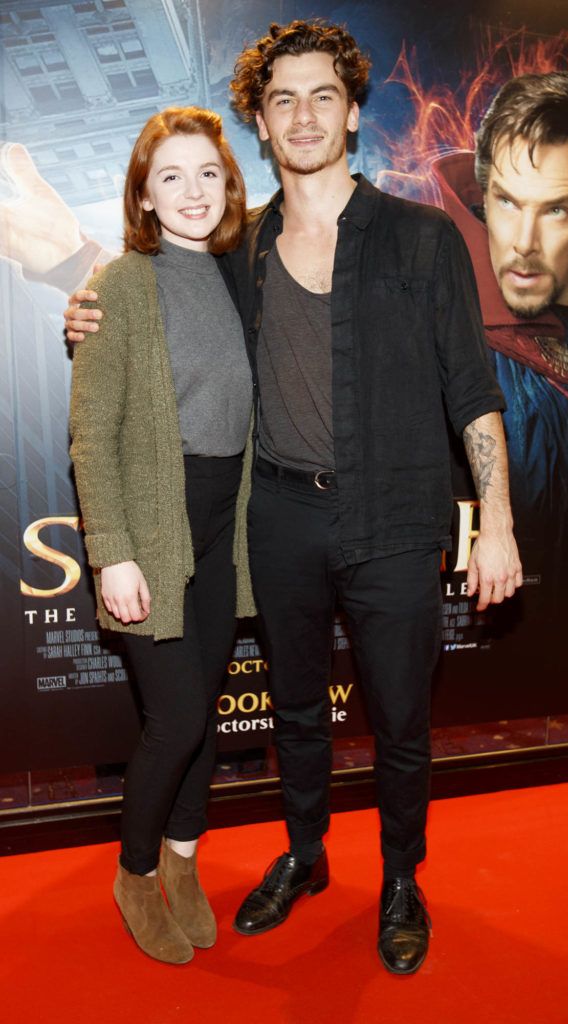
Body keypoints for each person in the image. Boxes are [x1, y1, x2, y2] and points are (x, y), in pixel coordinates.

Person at [66, 20, 522, 976]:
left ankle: (402, 880)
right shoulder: (242, 248)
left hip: (396, 519)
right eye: (282, 101)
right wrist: (87, 306)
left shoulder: (425, 237)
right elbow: (154, 295)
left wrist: (499, 526)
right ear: (262, 128)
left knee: (401, 716)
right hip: (275, 518)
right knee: (298, 710)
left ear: (354, 112)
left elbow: (473, 393)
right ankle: (305, 855)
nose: (304, 114)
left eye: (323, 95)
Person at [69, 106, 255, 966]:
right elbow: (91, 435)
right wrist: (112, 551)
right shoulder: (118, 287)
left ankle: (184, 861)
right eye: (171, 175)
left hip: (224, 532)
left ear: (229, 184)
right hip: (151, 528)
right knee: (175, 719)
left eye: (208, 173)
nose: (192, 191)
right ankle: (135, 872)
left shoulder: (240, 271)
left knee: (202, 714)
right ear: (144, 191)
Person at [430, 72, 568, 684]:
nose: (524, 244)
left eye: (556, 209)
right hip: (483, 666)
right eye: (505, 202)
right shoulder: (436, 310)